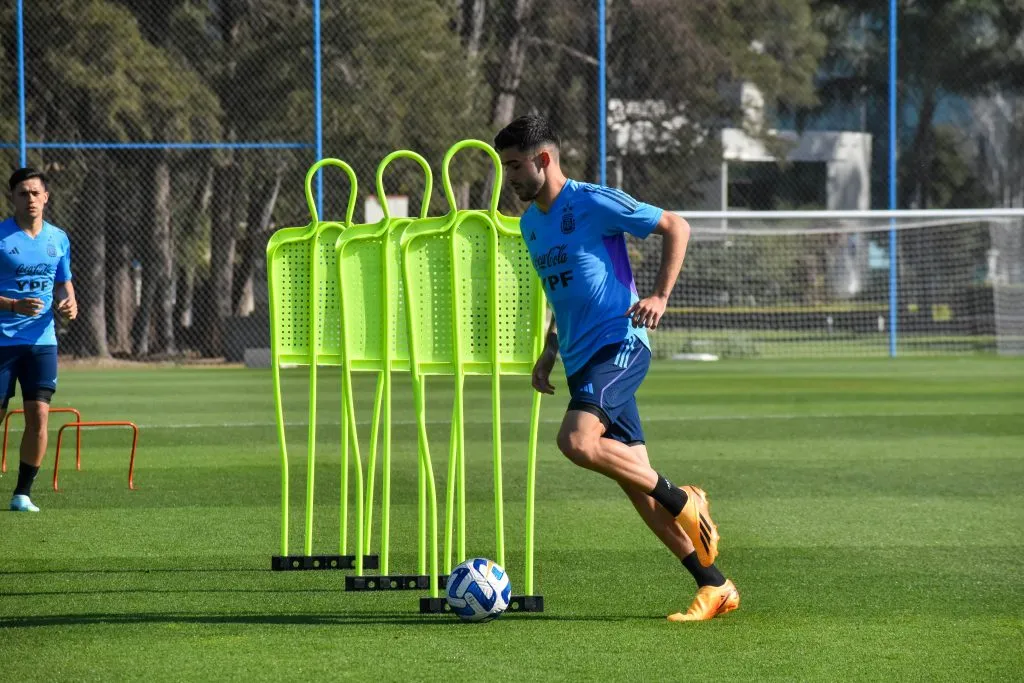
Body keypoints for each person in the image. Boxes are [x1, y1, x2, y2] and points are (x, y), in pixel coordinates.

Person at [494, 115, 738, 622]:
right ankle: (715, 585)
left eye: (515, 165)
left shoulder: (591, 201)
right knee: (637, 487)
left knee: (576, 442)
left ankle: (685, 499)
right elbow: (562, 294)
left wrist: (660, 296)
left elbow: (676, 225)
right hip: (581, 359)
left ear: (543, 159)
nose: (508, 177)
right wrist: (550, 349)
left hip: (620, 345)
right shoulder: (530, 224)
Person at [1, 167, 76, 512]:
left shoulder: (58, 238)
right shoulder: (2, 237)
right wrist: (13, 305)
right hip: (2, 341)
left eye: (35, 193)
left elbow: (62, 282)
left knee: (39, 416)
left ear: (46, 197)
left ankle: (22, 494)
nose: (30, 199)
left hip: (42, 340)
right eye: (23, 193)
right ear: (12, 198)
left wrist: (69, 302)